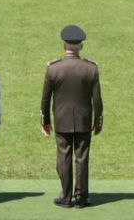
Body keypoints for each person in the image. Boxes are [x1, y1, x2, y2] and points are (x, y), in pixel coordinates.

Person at [41, 25, 102, 209]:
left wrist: (45, 121)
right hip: (83, 121)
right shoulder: (91, 69)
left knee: (63, 158)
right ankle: (81, 199)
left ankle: (66, 198)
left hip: (61, 121)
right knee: (82, 159)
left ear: (64, 45)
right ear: (80, 46)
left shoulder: (53, 69)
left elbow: (45, 98)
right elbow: (97, 100)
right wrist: (98, 121)